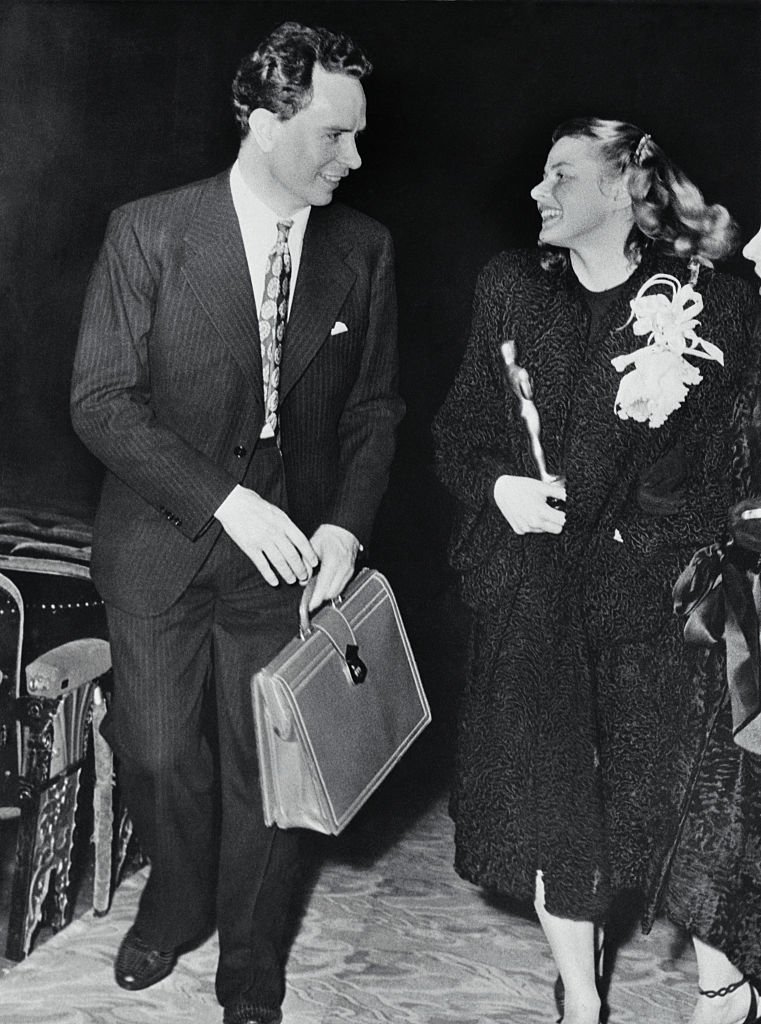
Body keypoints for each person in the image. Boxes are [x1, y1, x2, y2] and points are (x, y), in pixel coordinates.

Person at [71, 21, 403, 1024]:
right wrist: (223, 498)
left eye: (356, 136)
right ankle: (175, 902)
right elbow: (99, 400)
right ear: (263, 123)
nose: (352, 158)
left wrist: (344, 527)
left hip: (289, 565)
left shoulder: (364, 249)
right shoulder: (150, 230)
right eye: (331, 136)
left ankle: (251, 953)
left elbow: (373, 410)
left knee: (269, 765)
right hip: (161, 544)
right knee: (162, 754)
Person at [433, 117, 760, 1024]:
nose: (537, 193)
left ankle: (723, 981)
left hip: (662, 604)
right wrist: (501, 488)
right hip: (534, 595)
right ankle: (580, 998)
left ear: (620, 188)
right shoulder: (509, 289)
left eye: (560, 175)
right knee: (552, 805)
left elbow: (740, 471)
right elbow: (457, 434)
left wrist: (653, 543)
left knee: (683, 802)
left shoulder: (713, 304)